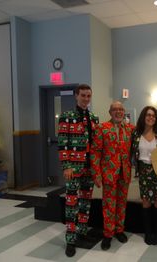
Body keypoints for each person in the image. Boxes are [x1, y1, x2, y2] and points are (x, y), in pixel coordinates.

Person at [58, 84, 99, 257]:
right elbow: (62, 142)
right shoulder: (66, 116)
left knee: (85, 204)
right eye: (83, 95)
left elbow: (96, 145)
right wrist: (66, 165)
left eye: (88, 96)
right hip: (73, 168)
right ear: (76, 96)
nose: (86, 99)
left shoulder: (94, 117)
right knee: (71, 205)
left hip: (89, 168)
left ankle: (82, 234)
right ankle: (70, 241)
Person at [90, 101, 134, 250]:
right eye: (115, 109)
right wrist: (96, 174)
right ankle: (108, 234)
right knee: (109, 205)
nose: (118, 112)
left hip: (125, 173)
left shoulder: (130, 129)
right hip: (108, 173)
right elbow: (95, 152)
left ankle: (119, 230)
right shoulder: (102, 128)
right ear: (110, 112)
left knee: (122, 203)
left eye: (121, 109)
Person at [131, 106, 157, 245]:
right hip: (144, 171)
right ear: (143, 117)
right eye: (148, 115)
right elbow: (132, 153)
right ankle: (148, 233)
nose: (151, 117)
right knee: (146, 201)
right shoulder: (136, 134)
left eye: (153, 116)